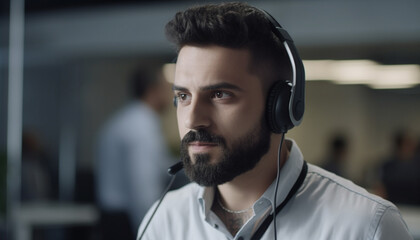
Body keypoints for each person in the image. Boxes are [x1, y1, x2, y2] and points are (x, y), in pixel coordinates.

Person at [137, 2, 412, 240]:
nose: (193, 119)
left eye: (220, 95)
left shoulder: (366, 226)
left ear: (280, 107)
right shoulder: (164, 220)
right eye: (183, 95)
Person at [96, 68, 173, 238]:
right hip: (128, 219)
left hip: (115, 216)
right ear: (153, 91)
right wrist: (152, 230)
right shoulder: (141, 126)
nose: (171, 94)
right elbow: (143, 188)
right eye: (167, 88)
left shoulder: (127, 119)